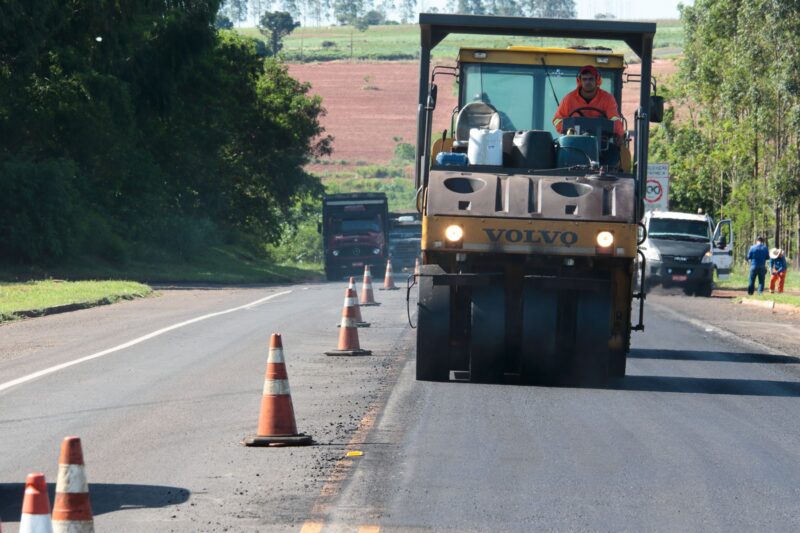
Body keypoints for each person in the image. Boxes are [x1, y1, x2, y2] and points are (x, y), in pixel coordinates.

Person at [552, 65, 625, 166]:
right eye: (584, 79)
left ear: (597, 80)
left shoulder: (607, 99)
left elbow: (614, 118)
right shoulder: (569, 99)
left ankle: (604, 172)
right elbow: (557, 120)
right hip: (573, 144)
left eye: (591, 79)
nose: (587, 82)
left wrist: (619, 134)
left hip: (601, 146)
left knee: (614, 153)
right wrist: (567, 128)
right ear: (579, 81)